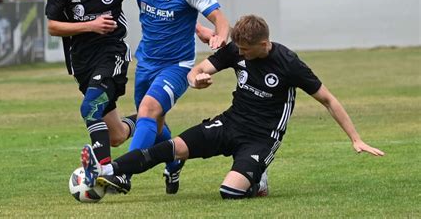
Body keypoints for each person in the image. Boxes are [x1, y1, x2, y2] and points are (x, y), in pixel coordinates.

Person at [98, 14, 385, 198]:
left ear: (263, 44)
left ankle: (256, 180)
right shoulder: (237, 48)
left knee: (229, 193)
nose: (241, 54)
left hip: (261, 137)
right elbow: (199, 69)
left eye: (246, 50)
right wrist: (196, 80)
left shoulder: (289, 64)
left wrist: (356, 139)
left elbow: (328, 99)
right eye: (239, 50)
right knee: (170, 148)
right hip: (230, 123)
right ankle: (110, 172)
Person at [69, 0, 230, 194]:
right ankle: (175, 159)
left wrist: (219, 36)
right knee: (153, 124)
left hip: (177, 67)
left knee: (148, 110)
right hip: (146, 64)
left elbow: (219, 18)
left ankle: (122, 173)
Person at [45, 0, 138, 187]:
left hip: (112, 53)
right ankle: (150, 121)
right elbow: (53, 27)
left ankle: (107, 172)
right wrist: (90, 25)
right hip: (82, 62)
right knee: (117, 134)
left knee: (90, 108)